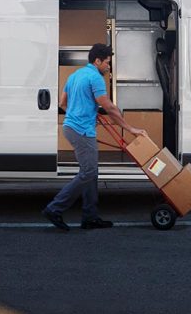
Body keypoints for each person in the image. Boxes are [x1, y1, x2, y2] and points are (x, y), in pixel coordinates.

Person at [42, 43, 147, 231]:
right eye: (107, 62)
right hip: (82, 131)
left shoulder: (75, 75)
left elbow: (62, 103)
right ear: (97, 61)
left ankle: (90, 217)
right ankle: (54, 208)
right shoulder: (95, 78)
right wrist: (131, 129)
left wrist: (80, 111)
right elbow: (109, 108)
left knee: (92, 173)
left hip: (72, 127)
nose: (108, 66)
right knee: (88, 172)